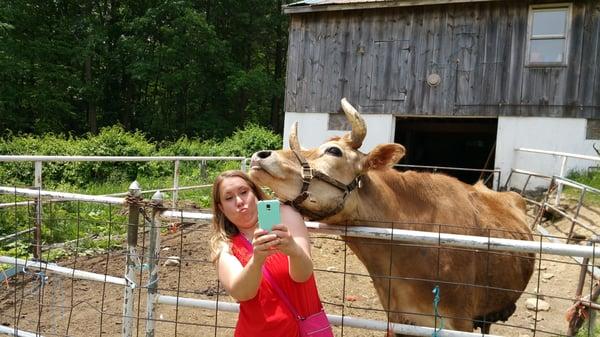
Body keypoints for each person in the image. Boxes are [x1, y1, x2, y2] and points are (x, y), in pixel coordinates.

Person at [209, 170, 327, 337]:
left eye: (244, 192)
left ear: (255, 193)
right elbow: (242, 293)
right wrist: (257, 261)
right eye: (229, 198)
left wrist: (294, 250)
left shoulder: (285, 214)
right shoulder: (224, 245)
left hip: (304, 330)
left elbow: (303, 275)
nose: (240, 201)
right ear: (221, 207)